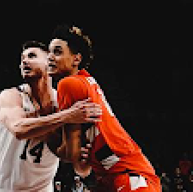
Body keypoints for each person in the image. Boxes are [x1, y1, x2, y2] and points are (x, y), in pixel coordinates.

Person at [48, 25, 160, 192]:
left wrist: (45, 133)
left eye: (57, 52)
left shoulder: (67, 84)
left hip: (127, 175)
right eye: (48, 52)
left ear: (76, 59)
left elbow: (70, 154)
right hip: (126, 173)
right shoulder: (87, 79)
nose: (49, 57)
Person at [0, 41, 103, 192]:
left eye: (32, 56)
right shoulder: (12, 96)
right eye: (22, 59)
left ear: (50, 62)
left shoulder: (63, 103)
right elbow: (19, 129)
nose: (24, 61)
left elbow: (75, 164)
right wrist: (67, 116)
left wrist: (83, 161)